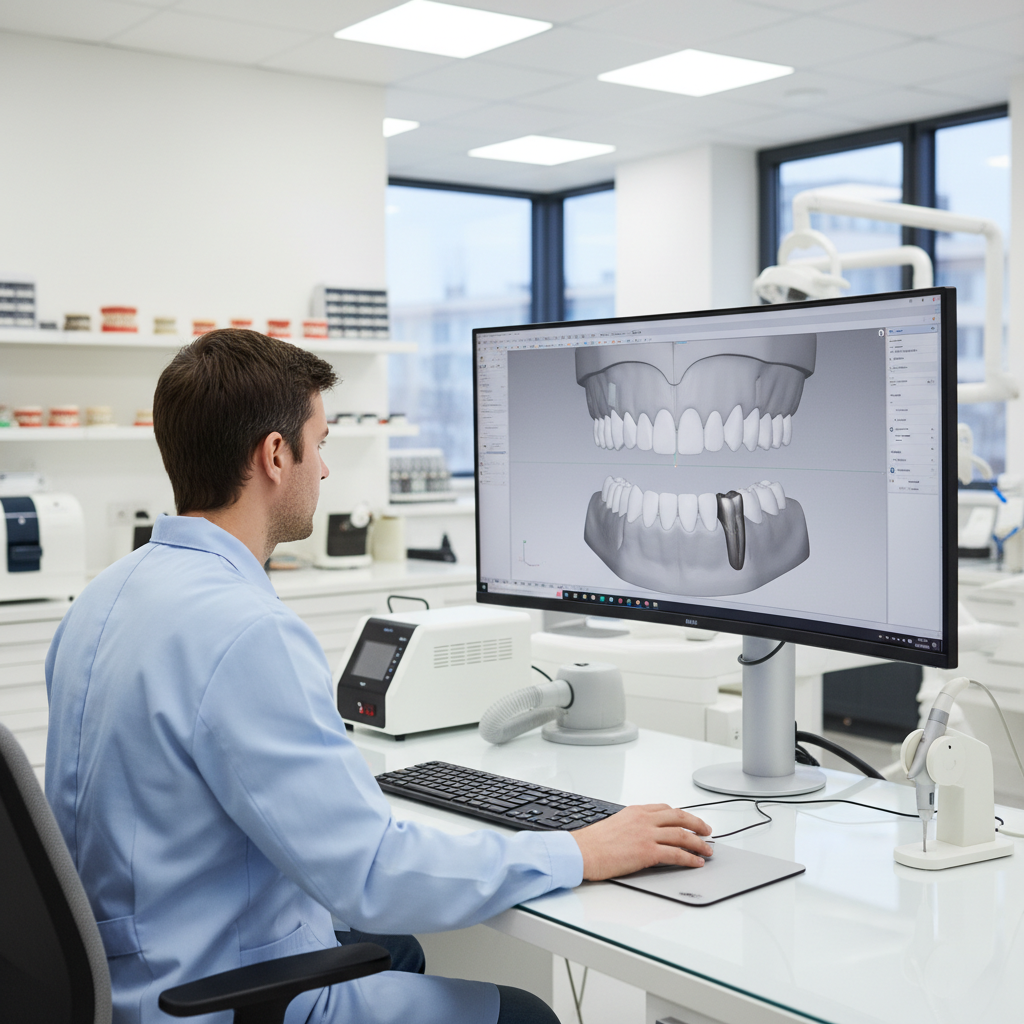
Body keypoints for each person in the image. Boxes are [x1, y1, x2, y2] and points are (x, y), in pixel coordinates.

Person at [45, 329, 713, 1024]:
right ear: (274, 455)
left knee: (396, 949)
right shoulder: (246, 631)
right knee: (526, 1014)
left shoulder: (104, 596)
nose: (324, 469)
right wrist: (577, 849)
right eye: (320, 443)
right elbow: (371, 874)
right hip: (215, 996)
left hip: (123, 977)